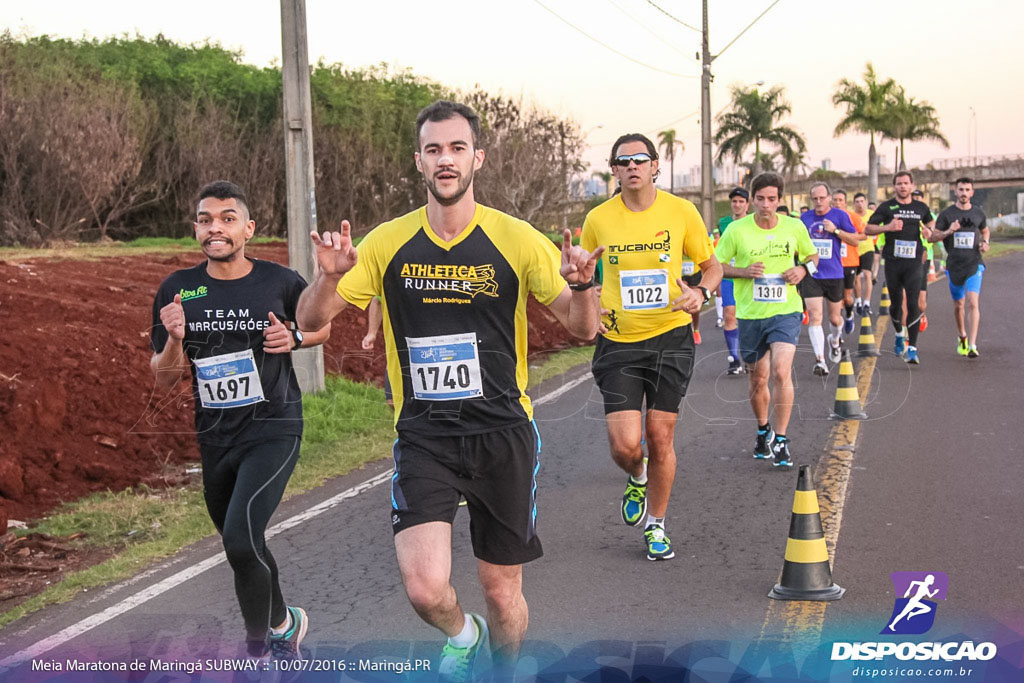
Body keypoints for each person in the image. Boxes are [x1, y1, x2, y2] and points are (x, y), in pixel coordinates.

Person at [295, 100, 601, 680]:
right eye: (434, 149)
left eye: (457, 148)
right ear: (418, 161)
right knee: (425, 590)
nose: (446, 160)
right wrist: (330, 276)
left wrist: (583, 285)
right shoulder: (388, 243)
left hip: (501, 432)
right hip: (425, 436)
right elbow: (313, 319)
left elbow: (584, 328)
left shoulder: (516, 239)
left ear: (477, 158)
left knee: (502, 593)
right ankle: (464, 636)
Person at [150, 180, 331, 661]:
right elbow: (165, 377)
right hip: (215, 436)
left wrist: (295, 338)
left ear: (248, 228)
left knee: (239, 535)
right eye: (206, 220)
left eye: (228, 219)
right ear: (196, 229)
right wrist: (173, 339)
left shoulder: (279, 281)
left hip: (274, 427)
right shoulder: (177, 290)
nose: (216, 228)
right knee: (243, 544)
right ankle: (283, 624)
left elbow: (320, 326)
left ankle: (255, 656)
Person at [582, 133, 722, 562]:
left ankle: (656, 525)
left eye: (640, 159)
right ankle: (637, 477)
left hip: (670, 336)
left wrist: (701, 294)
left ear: (655, 165)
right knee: (626, 446)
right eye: (623, 161)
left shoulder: (681, 212)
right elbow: (584, 274)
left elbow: (711, 266)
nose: (633, 167)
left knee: (660, 436)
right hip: (619, 340)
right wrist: (589, 305)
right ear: (614, 170)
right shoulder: (598, 219)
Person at [715, 172, 818, 468]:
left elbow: (812, 257)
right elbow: (717, 265)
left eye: (771, 199)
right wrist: (744, 271)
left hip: (786, 310)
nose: (765, 205)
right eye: (759, 199)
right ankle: (763, 430)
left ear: (780, 200)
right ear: (751, 200)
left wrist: (802, 271)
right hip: (751, 314)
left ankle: (782, 439)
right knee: (758, 378)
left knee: (781, 372)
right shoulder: (737, 230)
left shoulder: (794, 227)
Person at [866, 172, 935, 364]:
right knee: (896, 305)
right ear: (894, 187)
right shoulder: (887, 207)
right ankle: (898, 334)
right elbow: (868, 229)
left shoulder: (920, 207)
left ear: (912, 186)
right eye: (899, 184)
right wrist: (888, 227)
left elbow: (931, 222)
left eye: (906, 183)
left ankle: (912, 347)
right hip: (893, 263)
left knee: (913, 303)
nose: (903, 187)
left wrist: (929, 230)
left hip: (914, 263)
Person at [799, 183, 862, 375]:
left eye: (822, 198)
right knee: (815, 317)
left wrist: (835, 231)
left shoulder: (840, 216)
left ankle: (834, 340)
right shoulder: (805, 218)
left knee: (835, 319)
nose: (818, 202)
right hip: (812, 273)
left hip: (834, 273)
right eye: (815, 199)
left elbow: (855, 239)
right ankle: (820, 360)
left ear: (829, 198)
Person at [929, 177, 989, 358]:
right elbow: (932, 237)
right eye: (960, 190)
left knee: (973, 302)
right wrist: (949, 231)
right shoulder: (947, 214)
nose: (964, 193)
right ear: (955, 192)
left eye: (967, 190)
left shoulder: (978, 213)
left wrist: (985, 242)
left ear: (972, 192)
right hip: (954, 265)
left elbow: (985, 230)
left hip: (974, 263)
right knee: (959, 305)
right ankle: (962, 336)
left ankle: (972, 345)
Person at [716, 188, 750, 375]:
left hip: (749, 277)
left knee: (746, 318)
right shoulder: (724, 223)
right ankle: (734, 359)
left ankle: (750, 356)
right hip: (729, 276)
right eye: (734, 201)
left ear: (747, 204)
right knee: (729, 314)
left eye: (740, 201)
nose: (737, 205)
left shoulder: (753, 222)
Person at [832, 189, 866, 333]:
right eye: (835, 200)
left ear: (845, 202)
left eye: (841, 200)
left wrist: (846, 236)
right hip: (834, 263)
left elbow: (864, 235)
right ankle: (837, 331)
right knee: (836, 300)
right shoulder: (828, 217)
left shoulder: (853, 217)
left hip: (850, 261)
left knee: (847, 297)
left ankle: (850, 314)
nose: (838, 203)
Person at [362, 297, 394, 406]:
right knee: (392, 401)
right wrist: (372, 332)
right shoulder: (393, 280)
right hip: (398, 348)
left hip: (436, 344)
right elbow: (378, 300)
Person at [851, 192, 876, 316]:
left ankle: (867, 302)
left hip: (868, 248)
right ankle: (858, 301)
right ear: (854, 204)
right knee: (856, 277)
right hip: (854, 249)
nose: (860, 204)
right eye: (857, 202)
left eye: (862, 201)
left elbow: (878, 228)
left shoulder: (872, 215)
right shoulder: (851, 216)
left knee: (867, 274)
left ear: (866, 202)